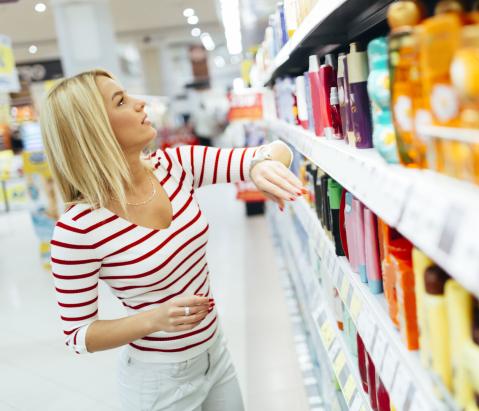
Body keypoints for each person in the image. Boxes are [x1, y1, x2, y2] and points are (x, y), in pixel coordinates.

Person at [40, 69, 303, 411]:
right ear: (93, 130)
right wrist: (154, 319)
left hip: (215, 354)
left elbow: (275, 150)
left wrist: (257, 168)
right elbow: (78, 336)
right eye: (121, 101)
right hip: (159, 382)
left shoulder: (175, 165)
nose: (139, 103)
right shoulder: (77, 229)